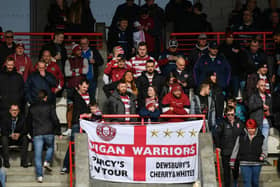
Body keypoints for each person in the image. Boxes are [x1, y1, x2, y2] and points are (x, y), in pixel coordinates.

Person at [26, 90, 61, 183]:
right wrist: (58, 131)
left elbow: (28, 121)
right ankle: (47, 161)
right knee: (50, 147)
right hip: (49, 131)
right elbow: (54, 119)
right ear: (46, 97)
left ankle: (40, 176)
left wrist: (30, 132)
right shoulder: (50, 105)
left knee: (37, 156)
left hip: (37, 133)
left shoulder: (32, 107)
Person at [61, 79, 93, 174]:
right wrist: (76, 90)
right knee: (73, 145)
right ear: (79, 86)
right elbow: (69, 94)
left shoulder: (90, 95)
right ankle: (66, 166)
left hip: (88, 124)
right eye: (83, 87)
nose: (85, 89)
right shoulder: (75, 95)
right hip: (77, 123)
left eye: (87, 87)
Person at [230, 119, 267, 187]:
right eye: (249, 128)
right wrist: (232, 161)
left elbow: (265, 150)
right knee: (247, 183)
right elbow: (235, 150)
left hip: (257, 163)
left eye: (252, 128)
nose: (250, 130)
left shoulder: (261, 137)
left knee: (255, 182)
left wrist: (262, 156)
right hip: (244, 163)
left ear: (255, 128)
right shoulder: (241, 137)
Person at [215, 106, 244, 187]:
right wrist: (218, 146)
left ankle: (235, 181)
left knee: (235, 171)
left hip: (236, 152)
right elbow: (217, 134)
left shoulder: (239, 122)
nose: (230, 116)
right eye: (228, 115)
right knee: (226, 172)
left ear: (235, 114)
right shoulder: (222, 123)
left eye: (232, 114)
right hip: (226, 152)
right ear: (225, 115)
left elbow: (243, 135)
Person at [64, 44, 89, 136]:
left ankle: (82, 125)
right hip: (71, 87)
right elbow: (67, 73)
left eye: (80, 50)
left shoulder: (84, 59)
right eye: (78, 50)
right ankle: (69, 128)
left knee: (82, 107)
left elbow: (86, 71)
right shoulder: (68, 60)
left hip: (81, 88)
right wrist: (79, 71)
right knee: (70, 107)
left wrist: (74, 71)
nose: (80, 52)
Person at [248, 79, 272, 156]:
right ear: (257, 86)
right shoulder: (254, 96)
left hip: (266, 122)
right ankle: (255, 155)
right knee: (256, 140)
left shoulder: (268, 97)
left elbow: (272, 109)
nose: (263, 87)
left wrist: (269, 113)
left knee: (264, 140)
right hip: (256, 122)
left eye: (265, 85)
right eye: (261, 85)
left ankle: (263, 156)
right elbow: (250, 107)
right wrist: (261, 106)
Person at [1, 104, 29, 168]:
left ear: (18, 111)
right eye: (13, 110)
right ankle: (6, 162)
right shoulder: (5, 119)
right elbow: (3, 130)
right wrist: (10, 135)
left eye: (16, 110)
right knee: (3, 138)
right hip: (9, 138)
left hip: (18, 138)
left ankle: (24, 162)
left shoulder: (22, 119)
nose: (14, 112)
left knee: (25, 138)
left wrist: (19, 134)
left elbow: (25, 130)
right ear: (10, 111)